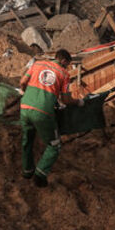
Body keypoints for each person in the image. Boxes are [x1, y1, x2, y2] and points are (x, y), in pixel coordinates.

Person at [19, 49, 82, 187]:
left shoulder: (37, 64)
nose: (67, 67)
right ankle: (40, 175)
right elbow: (65, 100)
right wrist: (78, 102)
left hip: (24, 108)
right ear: (64, 61)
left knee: (27, 140)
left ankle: (27, 171)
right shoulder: (64, 73)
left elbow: (22, 82)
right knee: (55, 145)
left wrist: (26, 93)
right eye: (68, 64)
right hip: (43, 113)